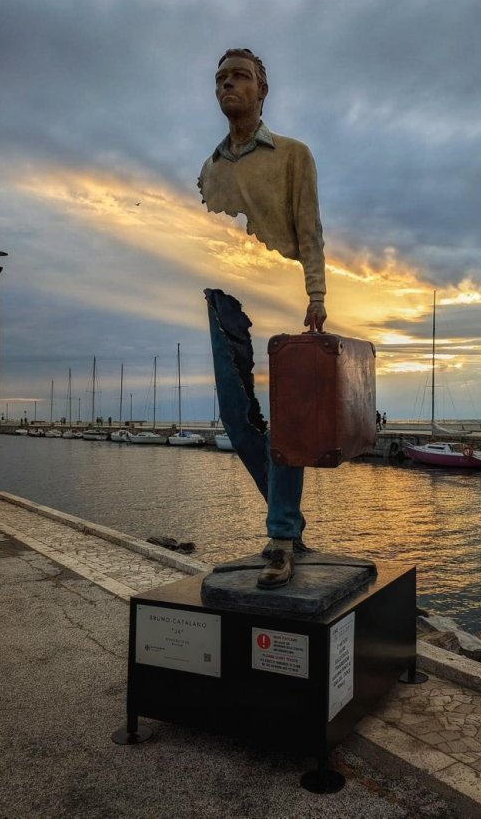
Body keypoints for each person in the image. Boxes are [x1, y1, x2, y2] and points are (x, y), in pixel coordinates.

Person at [199, 48, 327, 590]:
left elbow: (310, 229)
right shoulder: (209, 168)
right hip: (224, 299)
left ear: (261, 89)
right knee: (235, 418)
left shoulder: (294, 155)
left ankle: (279, 536)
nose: (229, 85)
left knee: (288, 426)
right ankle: (289, 529)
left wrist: (317, 295)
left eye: (241, 77)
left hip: (281, 297)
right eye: (221, 78)